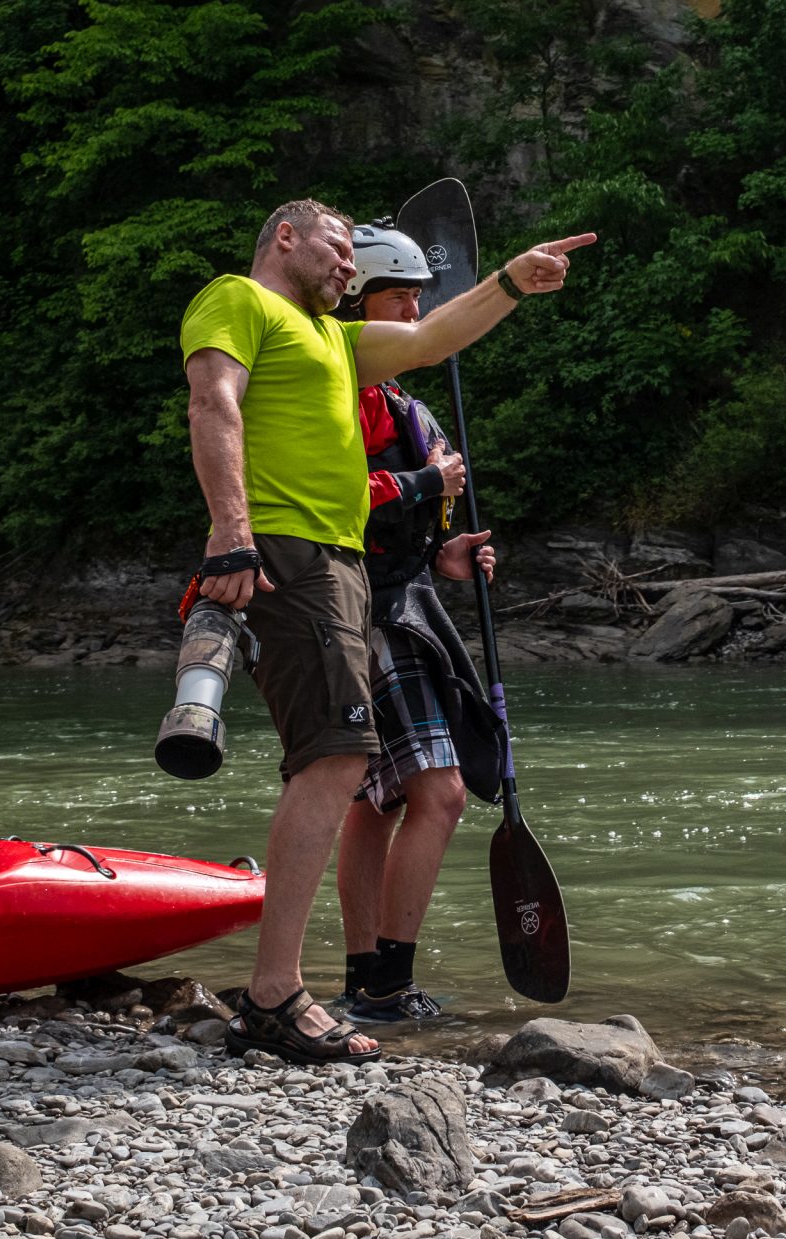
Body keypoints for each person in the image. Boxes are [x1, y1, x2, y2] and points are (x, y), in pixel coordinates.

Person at [180, 197, 593, 1067]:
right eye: (338, 248)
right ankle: (275, 996)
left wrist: (513, 281)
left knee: (340, 763)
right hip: (291, 553)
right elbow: (214, 404)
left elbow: (433, 339)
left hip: (348, 568)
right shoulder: (238, 299)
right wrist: (231, 533)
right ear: (283, 236)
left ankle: (284, 989)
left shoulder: (337, 343)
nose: (348, 267)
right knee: (333, 761)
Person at [332, 221, 506, 1023]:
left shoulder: (399, 403)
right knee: (438, 795)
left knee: (381, 802)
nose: (414, 309)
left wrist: (451, 556)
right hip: (357, 609)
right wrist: (422, 480)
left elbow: (409, 532)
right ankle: (387, 985)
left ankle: (366, 978)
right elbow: (328, 500)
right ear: (361, 304)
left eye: (414, 296)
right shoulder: (331, 390)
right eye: (399, 296)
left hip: (404, 601)